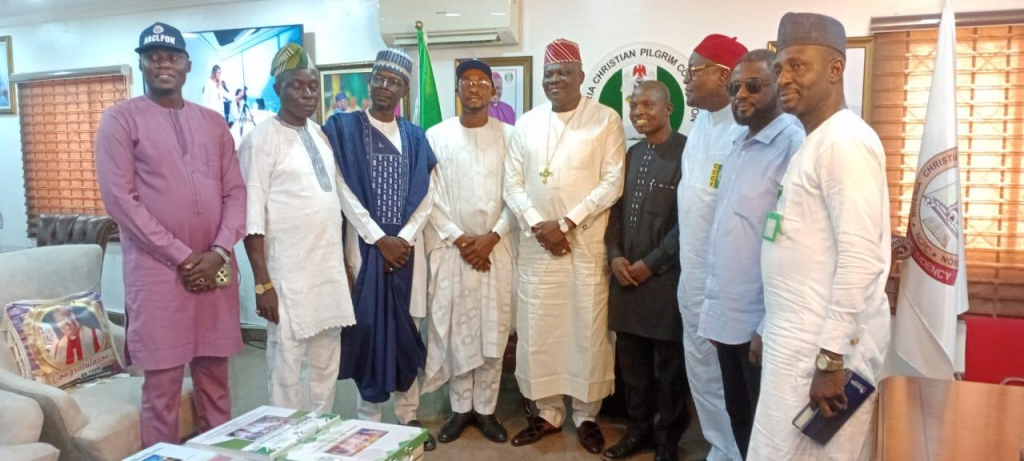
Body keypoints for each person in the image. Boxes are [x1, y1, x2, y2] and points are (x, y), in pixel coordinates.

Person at [95, 22, 246, 447]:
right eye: (153, 56)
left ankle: (219, 455)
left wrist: (219, 250)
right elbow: (121, 201)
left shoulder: (213, 123)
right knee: (162, 390)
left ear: (187, 64)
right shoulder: (120, 120)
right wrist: (183, 256)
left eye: (172, 56)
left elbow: (235, 192)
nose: (163, 63)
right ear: (142, 64)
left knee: (216, 382)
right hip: (158, 274)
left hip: (215, 268)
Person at [749, 13, 891, 460]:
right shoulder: (815, 140)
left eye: (798, 66)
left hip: (824, 356)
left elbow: (860, 259)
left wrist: (832, 360)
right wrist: (766, 326)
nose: (784, 78)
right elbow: (801, 246)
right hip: (795, 345)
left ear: (835, 69)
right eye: (779, 68)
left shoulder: (845, 142)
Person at [504, 38, 625, 455]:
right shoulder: (526, 123)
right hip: (538, 249)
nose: (555, 80)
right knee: (539, 331)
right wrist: (540, 226)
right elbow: (512, 184)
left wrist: (568, 223)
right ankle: (547, 413)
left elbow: (612, 182)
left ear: (581, 76)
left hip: (583, 247)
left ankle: (587, 416)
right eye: (549, 74)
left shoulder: (605, 120)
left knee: (587, 332)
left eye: (564, 73)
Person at [322, 48, 437, 451]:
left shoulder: (415, 136)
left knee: (408, 328)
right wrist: (377, 237)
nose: (385, 87)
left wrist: (403, 239)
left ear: (405, 89)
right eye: (379, 78)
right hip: (364, 248)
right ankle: (367, 418)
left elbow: (428, 193)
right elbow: (341, 187)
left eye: (395, 81)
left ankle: (409, 415)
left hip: (407, 252)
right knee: (368, 329)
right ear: (369, 81)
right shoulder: (344, 128)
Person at [238, 43, 356, 413]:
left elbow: (332, 208)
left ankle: (319, 432)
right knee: (287, 365)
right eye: (297, 86)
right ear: (278, 89)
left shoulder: (320, 136)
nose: (307, 94)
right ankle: (286, 437)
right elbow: (251, 219)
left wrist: (343, 265)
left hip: (327, 273)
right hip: (287, 276)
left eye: (313, 86)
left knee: (325, 363)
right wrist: (262, 283)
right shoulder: (260, 141)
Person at [699, 49, 804, 459]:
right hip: (727, 313)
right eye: (735, 87)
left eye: (753, 86)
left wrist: (766, 323)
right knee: (739, 416)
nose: (741, 94)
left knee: (768, 428)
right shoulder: (737, 144)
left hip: (760, 322)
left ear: (777, 86)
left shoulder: (792, 147)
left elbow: (793, 245)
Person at [421, 59, 514, 445]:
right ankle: (460, 409)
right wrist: (461, 239)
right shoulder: (436, 136)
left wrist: (492, 236)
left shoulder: (511, 136)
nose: (474, 87)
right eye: (466, 81)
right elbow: (429, 194)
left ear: (493, 90)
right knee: (458, 328)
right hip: (453, 250)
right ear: (457, 90)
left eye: (482, 81)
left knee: (493, 327)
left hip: (497, 249)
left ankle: (486, 409)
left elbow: (518, 192)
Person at [602, 81, 689, 461]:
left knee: (669, 370)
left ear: (669, 109)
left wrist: (651, 264)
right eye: (634, 105)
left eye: (648, 104)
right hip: (625, 280)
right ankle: (637, 431)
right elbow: (616, 211)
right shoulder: (631, 153)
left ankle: (667, 440)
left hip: (665, 281)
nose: (639, 112)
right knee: (632, 367)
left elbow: (688, 222)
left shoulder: (687, 152)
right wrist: (614, 255)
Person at [676, 33, 748, 461]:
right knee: (701, 373)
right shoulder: (700, 124)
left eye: (693, 71)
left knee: (731, 379)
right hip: (693, 280)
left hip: (728, 287)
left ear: (724, 76)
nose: (686, 80)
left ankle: (740, 450)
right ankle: (720, 446)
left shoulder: (745, 128)